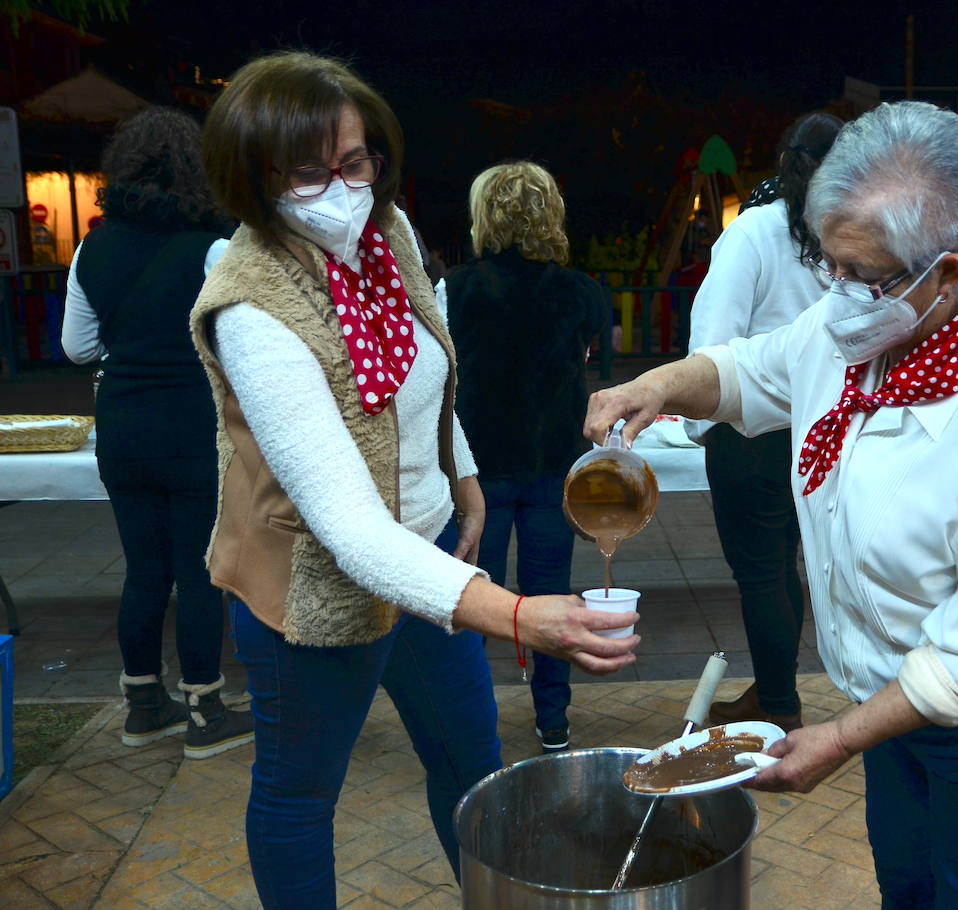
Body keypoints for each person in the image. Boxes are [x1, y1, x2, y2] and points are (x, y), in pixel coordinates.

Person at [584, 101, 958, 909]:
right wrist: (656, 384)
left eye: (865, 276)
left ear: (950, 274)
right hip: (893, 678)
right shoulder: (859, 323)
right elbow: (754, 371)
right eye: (829, 265)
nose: (841, 294)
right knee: (906, 870)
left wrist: (839, 738)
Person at [190, 52, 637, 908]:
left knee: (474, 771)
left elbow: (423, 375)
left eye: (355, 163)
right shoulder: (251, 307)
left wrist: (460, 476)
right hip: (313, 587)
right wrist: (512, 611)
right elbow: (347, 524)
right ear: (254, 178)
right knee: (298, 793)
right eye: (308, 172)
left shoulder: (386, 237)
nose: (342, 189)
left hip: (431, 561)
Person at [60, 107, 255, 760]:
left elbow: (77, 348)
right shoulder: (212, 248)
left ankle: (144, 706)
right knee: (199, 571)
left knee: (144, 570)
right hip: (191, 427)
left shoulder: (92, 246)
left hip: (121, 427)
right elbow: (240, 345)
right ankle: (205, 710)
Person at [436, 161, 608, 753]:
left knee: (470, 596)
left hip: (477, 473)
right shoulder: (582, 292)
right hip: (551, 468)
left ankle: (468, 721)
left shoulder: (455, 289)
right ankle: (553, 720)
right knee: (550, 593)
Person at [687, 111, 842, 733]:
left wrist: (699, 423)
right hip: (818, 430)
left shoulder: (756, 227)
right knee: (784, 566)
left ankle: (778, 703)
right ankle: (777, 693)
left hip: (750, 430)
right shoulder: (844, 231)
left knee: (761, 573)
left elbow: (714, 340)